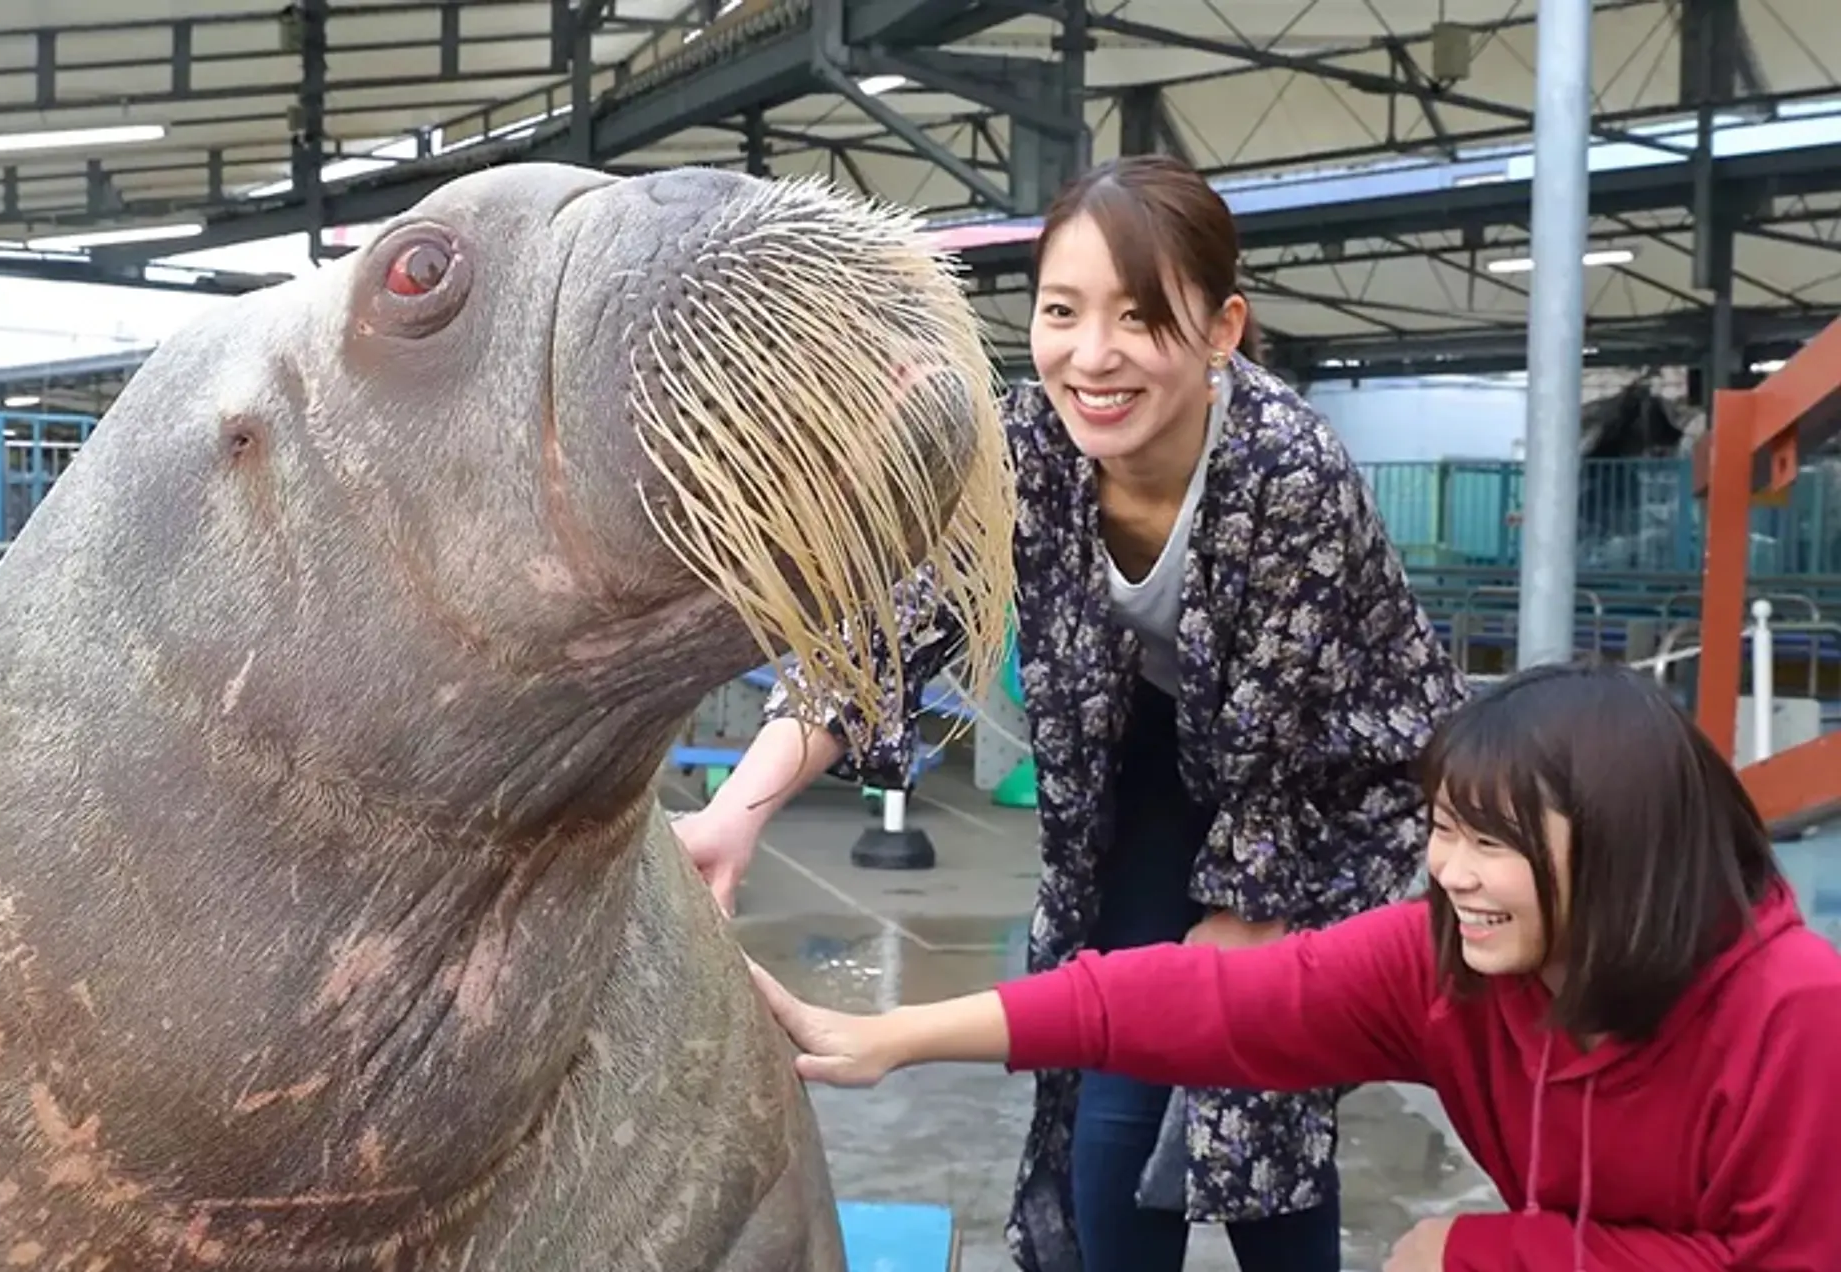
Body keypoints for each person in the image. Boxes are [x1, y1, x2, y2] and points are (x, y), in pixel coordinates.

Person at [673, 154, 1469, 1272]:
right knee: (1113, 1101)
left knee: (1261, 1086)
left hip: (1327, 785)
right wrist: (740, 810)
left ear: (1221, 329)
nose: (1092, 356)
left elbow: (1279, 763)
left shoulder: (1291, 469)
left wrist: (1236, 935)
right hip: (1150, 755)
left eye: (1140, 317)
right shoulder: (1026, 447)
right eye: (1062, 311)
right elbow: (890, 633)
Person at [745, 661, 1841, 1271]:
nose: (1449, 871)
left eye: (1492, 842)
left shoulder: (1796, 1017)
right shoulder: (1455, 964)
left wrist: (1482, 1255)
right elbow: (1196, 1001)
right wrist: (893, 1038)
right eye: (1443, 828)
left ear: (1623, 844)